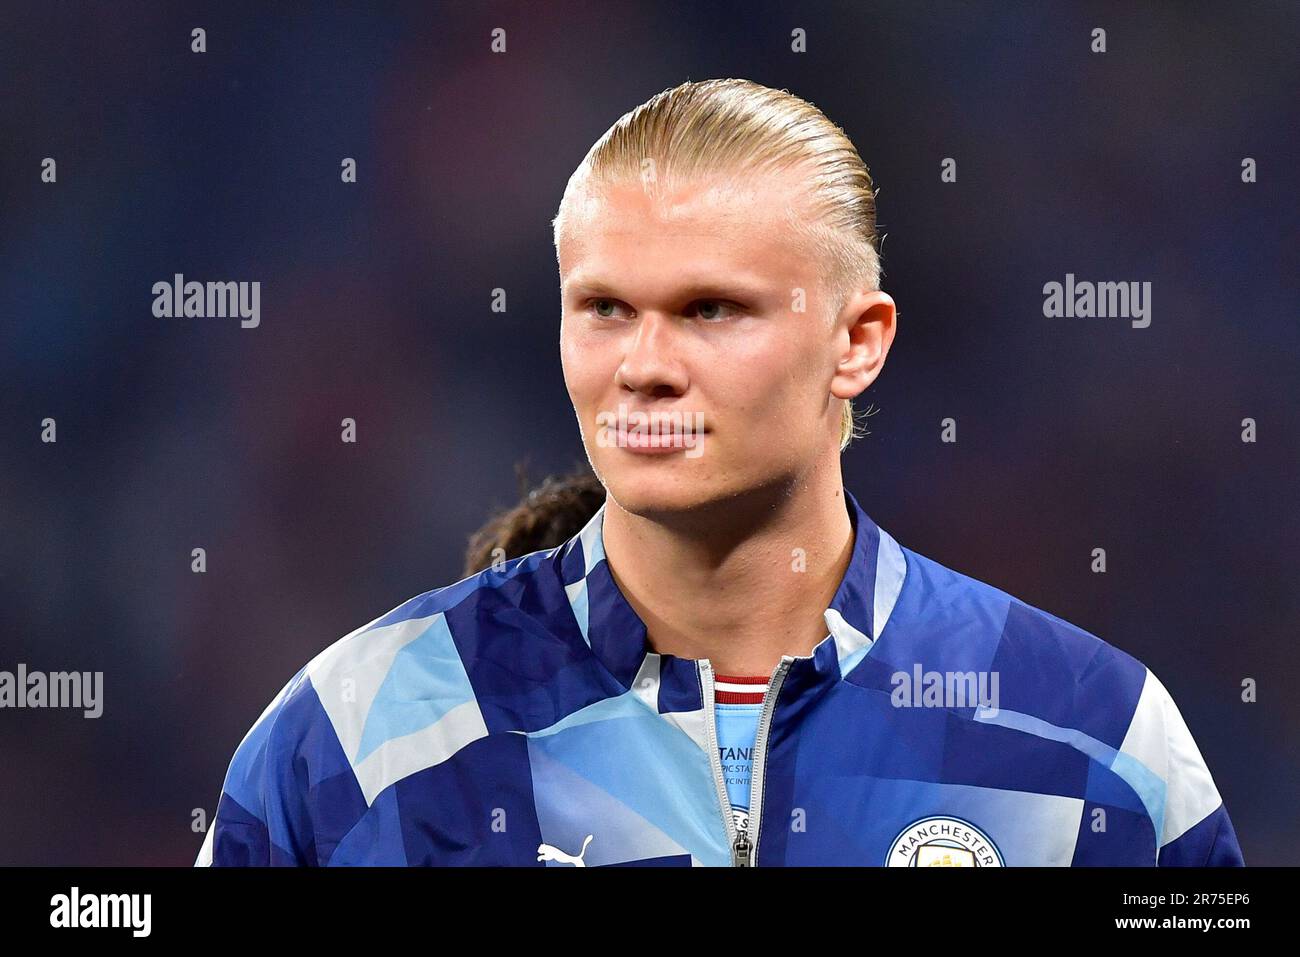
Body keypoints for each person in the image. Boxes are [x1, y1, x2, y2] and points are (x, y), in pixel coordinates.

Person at [196, 78, 1243, 867]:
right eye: (603, 308)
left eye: (710, 310)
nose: (643, 369)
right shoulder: (362, 738)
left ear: (857, 342)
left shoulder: (1089, 737)